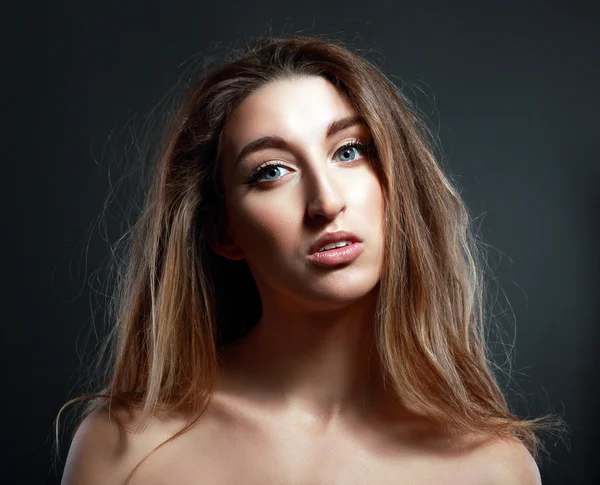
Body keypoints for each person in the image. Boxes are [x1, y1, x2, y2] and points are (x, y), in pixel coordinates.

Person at [58, 34, 559, 484]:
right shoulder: (123, 447)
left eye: (349, 151)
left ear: (396, 182)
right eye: (272, 170)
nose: (326, 202)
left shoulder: (493, 467)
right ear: (223, 231)